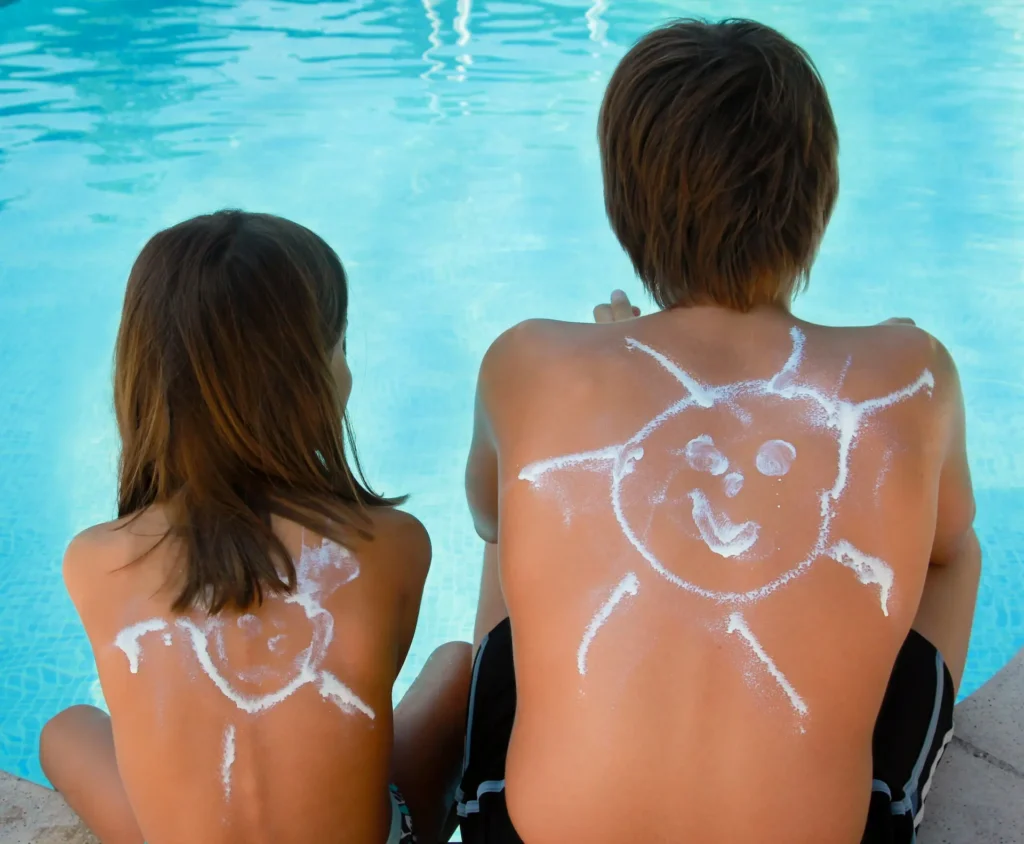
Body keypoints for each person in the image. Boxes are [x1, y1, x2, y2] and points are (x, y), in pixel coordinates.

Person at [457, 18, 980, 844]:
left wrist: (612, 351)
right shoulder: (914, 373)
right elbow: (947, 545)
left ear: (624, 206)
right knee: (960, 554)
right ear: (820, 197)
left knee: (520, 516)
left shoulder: (529, 361)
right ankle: (885, 776)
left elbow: (489, 519)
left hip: (534, 832)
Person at [39, 211, 472, 844]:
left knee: (66, 731)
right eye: (341, 346)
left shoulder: (93, 562)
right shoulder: (392, 545)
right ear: (311, 384)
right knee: (458, 668)